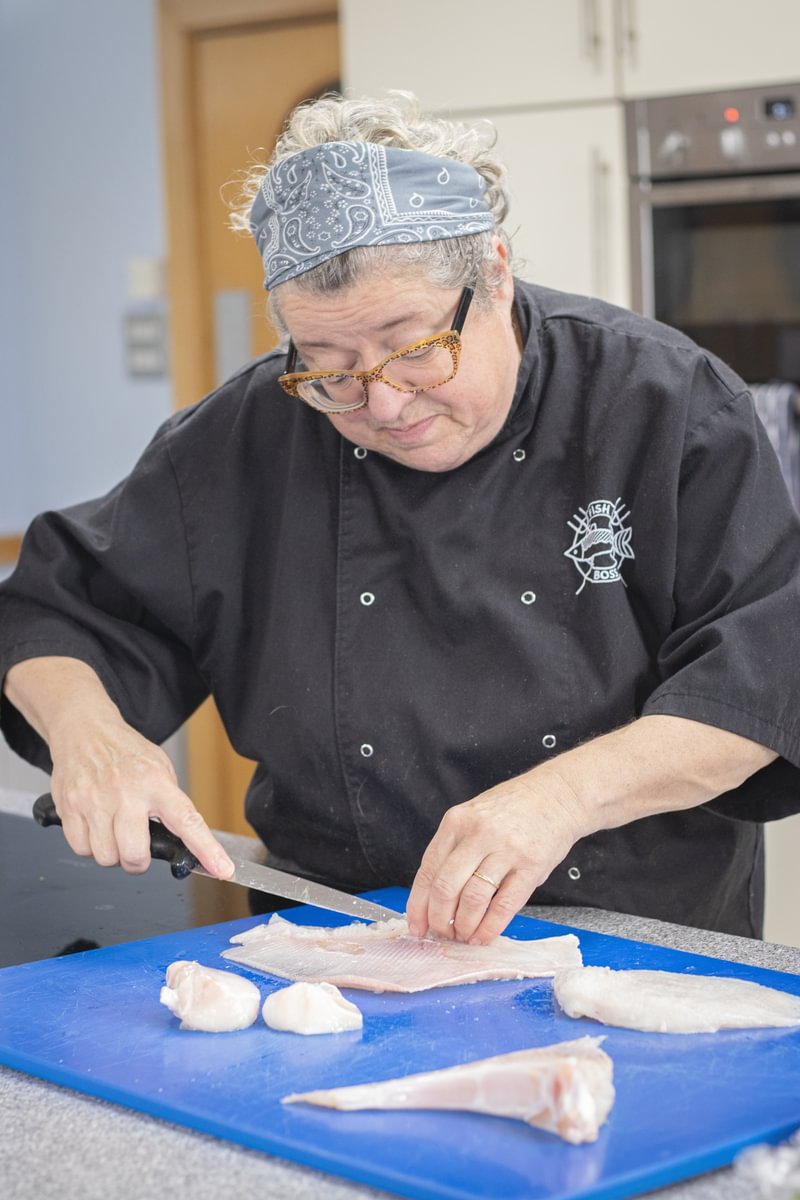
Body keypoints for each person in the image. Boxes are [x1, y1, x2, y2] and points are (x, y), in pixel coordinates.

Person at [2, 91, 800, 945]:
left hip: (633, 941)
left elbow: (760, 677)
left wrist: (560, 796)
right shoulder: (245, 438)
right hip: (332, 938)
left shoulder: (666, 404)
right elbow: (60, 610)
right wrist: (90, 736)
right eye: (329, 367)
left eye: (415, 348)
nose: (382, 402)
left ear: (493, 271)